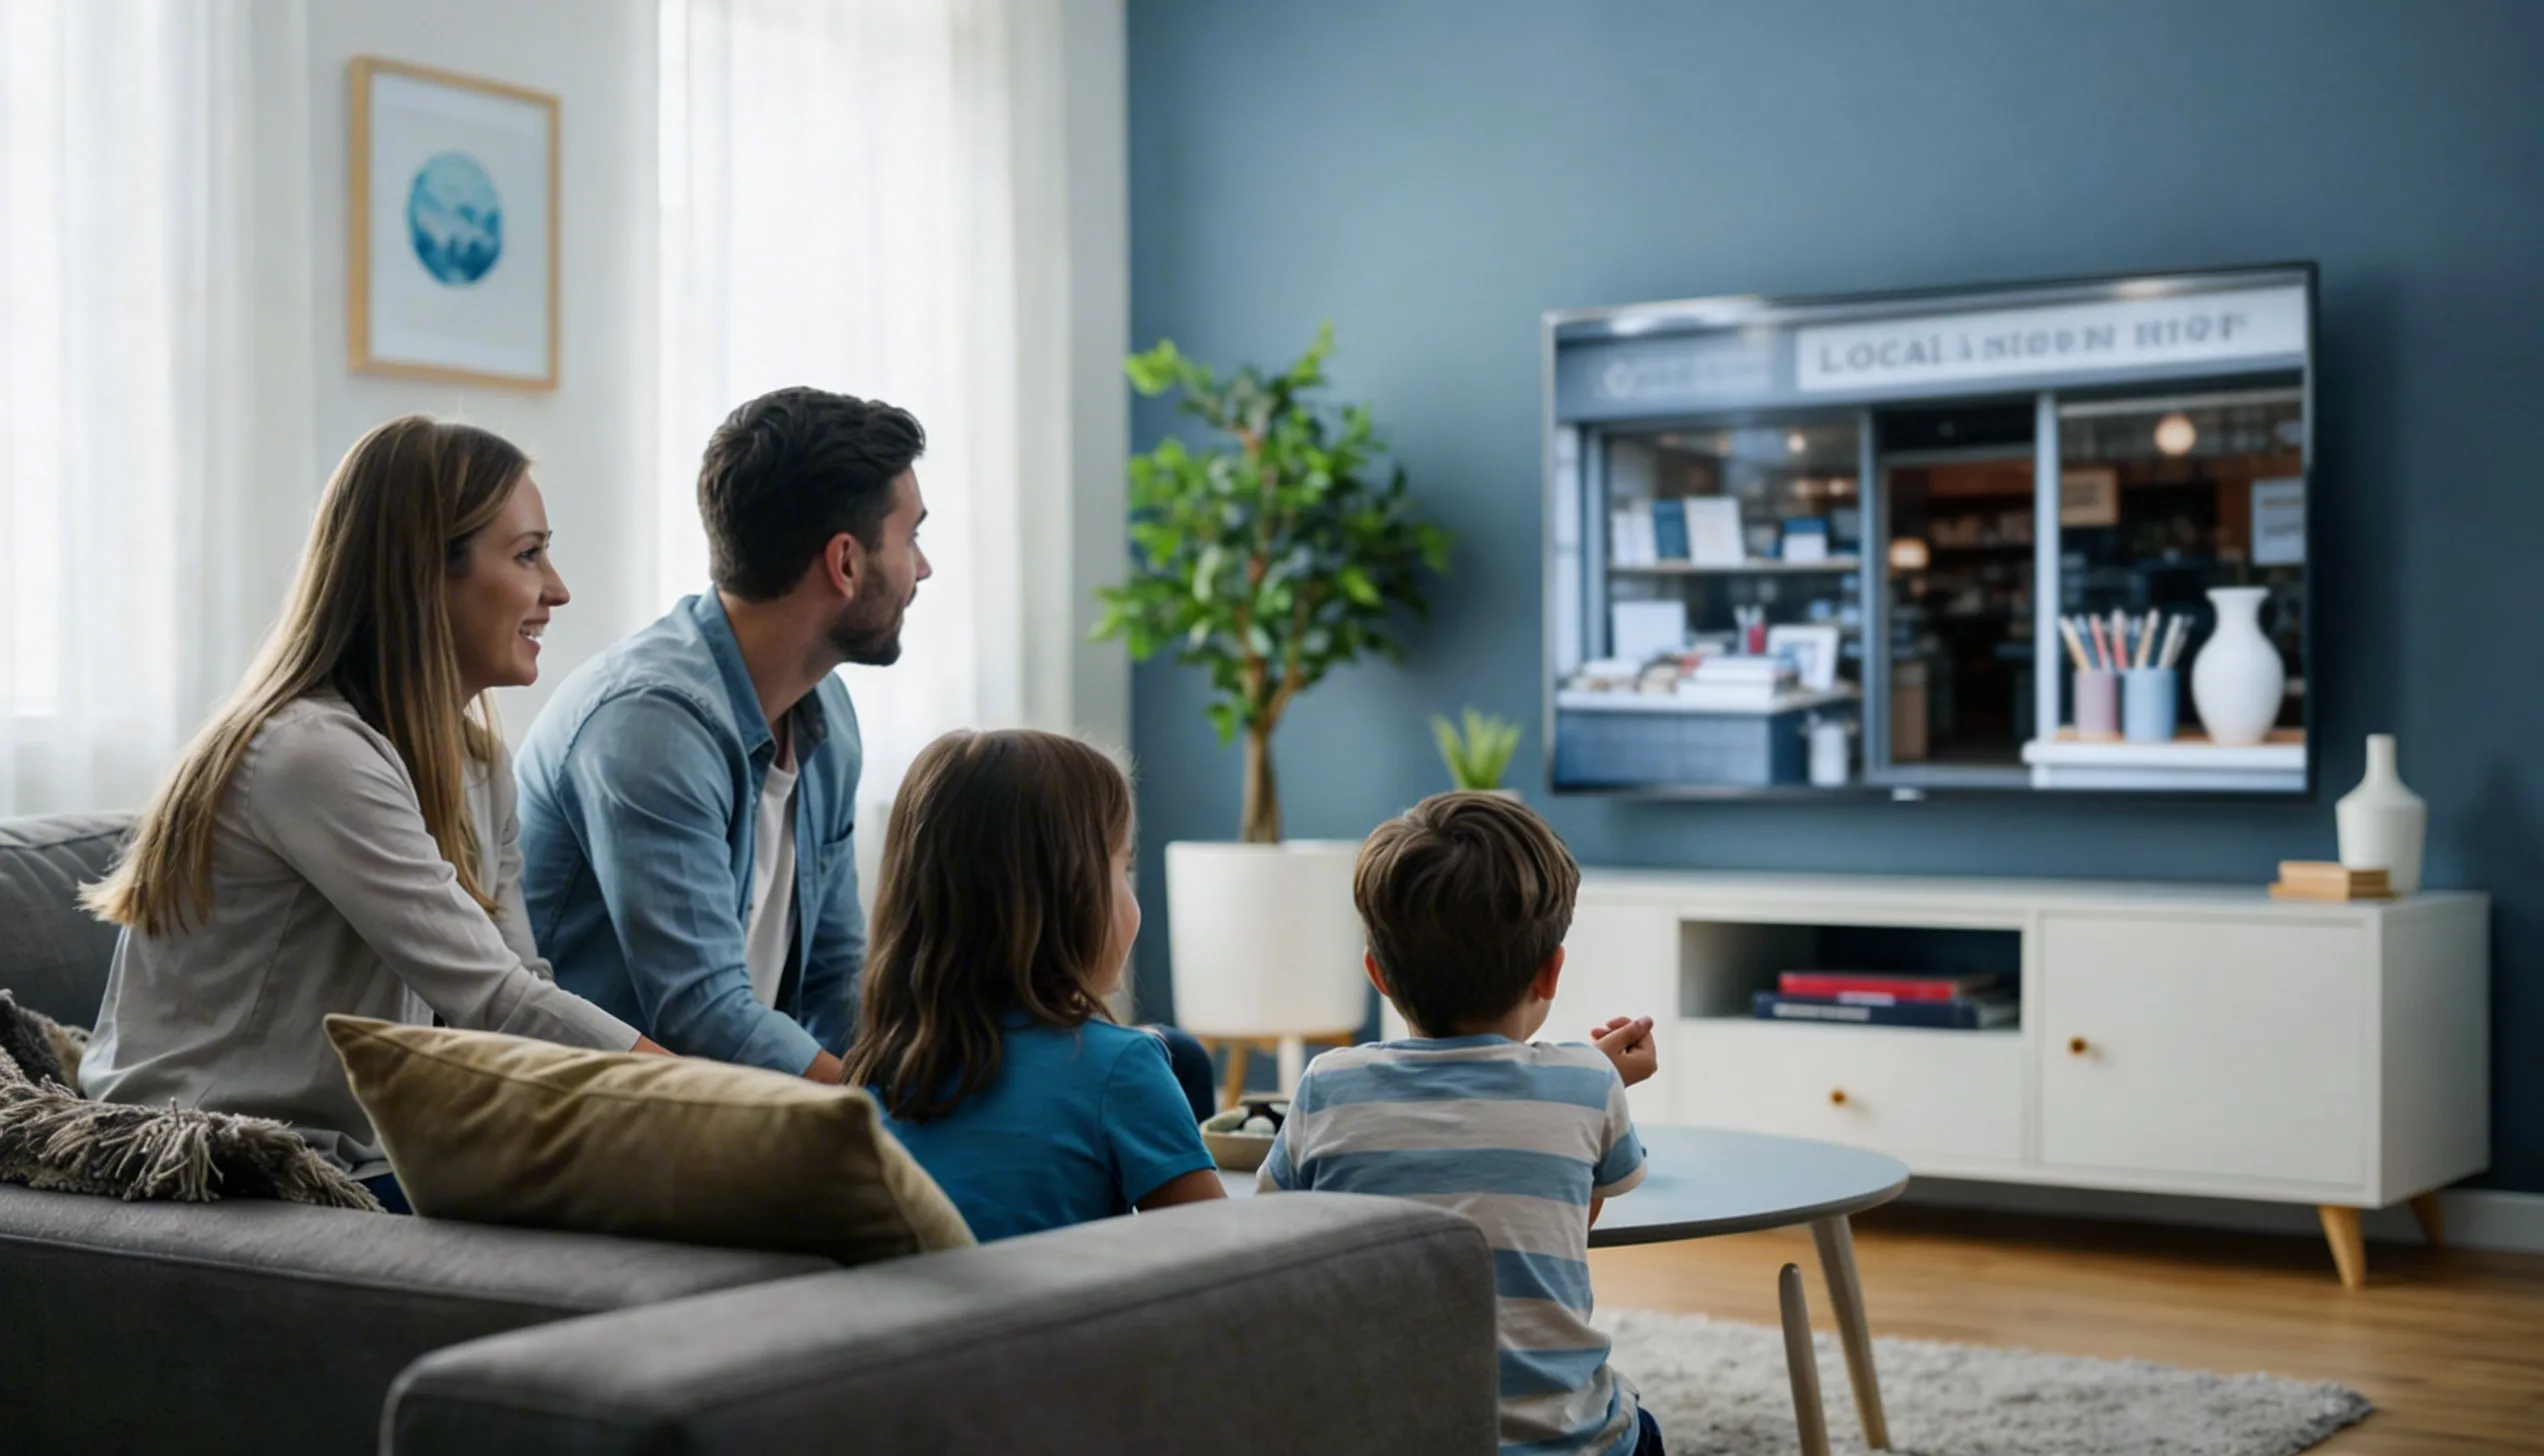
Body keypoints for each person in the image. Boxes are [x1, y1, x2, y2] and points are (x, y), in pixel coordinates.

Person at [80, 418, 663, 1213]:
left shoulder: (480, 763)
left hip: (364, 1154)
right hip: (217, 1160)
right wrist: (702, 1098)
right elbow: (495, 997)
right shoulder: (309, 754)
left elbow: (518, 988)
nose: (557, 589)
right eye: (528, 555)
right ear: (426, 574)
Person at [514, 388, 926, 1081]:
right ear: (846, 562)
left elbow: (834, 977)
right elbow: (703, 1015)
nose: (923, 568)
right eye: (911, 537)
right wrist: (887, 1116)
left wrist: (928, 1084)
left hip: (726, 1114)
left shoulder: (828, 715)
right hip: (590, 1130)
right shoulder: (649, 724)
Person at [1257, 791, 1665, 1456]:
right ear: (1551, 971)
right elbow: (1567, 1225)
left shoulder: (1327, 1084)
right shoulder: (1589, 1082)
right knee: (1636, 1428)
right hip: (1562, 1444)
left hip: (1380, 1437)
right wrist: (1601, 1082)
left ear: (1377, 975)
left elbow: (1282, 1235)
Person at [842, 729, 1226, 1241]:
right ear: (1072, 897)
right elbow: (1222, 1258)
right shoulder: (1120, 1067)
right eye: (1123, 871)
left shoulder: (873, 1071)